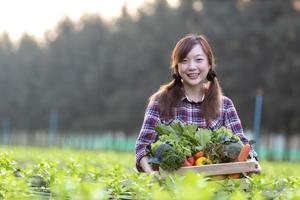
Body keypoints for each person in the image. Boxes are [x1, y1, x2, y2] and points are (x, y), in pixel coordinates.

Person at [135, 33, 258, 174]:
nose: (192, 67)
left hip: (217, 184)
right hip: (172, 184)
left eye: (198, 59)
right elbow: (142, 146)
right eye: (184, 61)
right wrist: (151, 174)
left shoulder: (225, 105)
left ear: (209, 64)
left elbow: (243, 144)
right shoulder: (160, 102)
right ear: (177, 67)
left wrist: (251, 160)